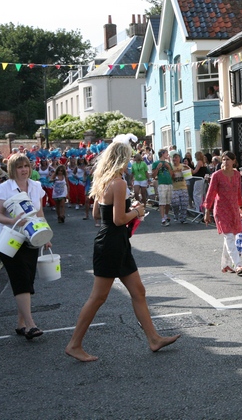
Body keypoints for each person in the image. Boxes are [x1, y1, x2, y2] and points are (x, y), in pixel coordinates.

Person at [65, 142, 179, 362]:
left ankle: (154, 338)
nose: (129, 163)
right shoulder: (117, 183)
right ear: (120, 159)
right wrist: (136, 210)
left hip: (113, 242)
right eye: (127, 158)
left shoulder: (104, 181)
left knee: (139, 292)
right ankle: (74, 344)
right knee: (98, 297)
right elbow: (118, 220)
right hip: (112, 243)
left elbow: (99, 213)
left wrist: (128, 208)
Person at [0, 153, 51, 340]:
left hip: (31, 237)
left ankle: (20, 324)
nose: (24, 169)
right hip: (9, 238)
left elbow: (39, 213)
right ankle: (31, 325)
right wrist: (12, 220)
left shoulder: (36, 186)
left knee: (28, 279)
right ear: (12, 169)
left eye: (26, 165)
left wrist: (45, 234)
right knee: (20, 280)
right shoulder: (3, 188)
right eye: (19, 167)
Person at [203, 151, 242, 273]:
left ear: (233, 161)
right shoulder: (217, 175)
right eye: (223, 159)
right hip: (221, 210)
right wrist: (207, 211)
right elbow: (210, 194)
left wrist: (241, 208)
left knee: (230, 236)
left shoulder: (237, 175)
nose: (225, 162)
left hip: (233, 209)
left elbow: (238, 192)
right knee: (229, 236)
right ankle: (238, 264)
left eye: (228, 159)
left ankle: (225, 264)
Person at [151, 149, 173, 226]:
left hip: (169, 183)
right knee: (162, 202)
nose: (168, 155)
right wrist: (157, 168)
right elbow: (153, 175)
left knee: (168, 202)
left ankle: (166, 215)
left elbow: (171, 175)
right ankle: (163, 218)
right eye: (166, 153)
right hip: (161, 183)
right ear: (162, 154)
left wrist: (169, 167)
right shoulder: (156, 163)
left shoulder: (168, 163)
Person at [170, 152, 190, 223]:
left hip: (183, 187)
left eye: (176, 157)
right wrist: (174, 171)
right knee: (175, 203)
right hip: (174, 188)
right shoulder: (170, 167)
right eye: (173, 158)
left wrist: (188, 169)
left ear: (179, 159)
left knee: (184, 204)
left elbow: (190, 174)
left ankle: (183, 218)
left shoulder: (183, 166)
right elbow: (170, 177)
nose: (174, 159)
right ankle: (176, 214)